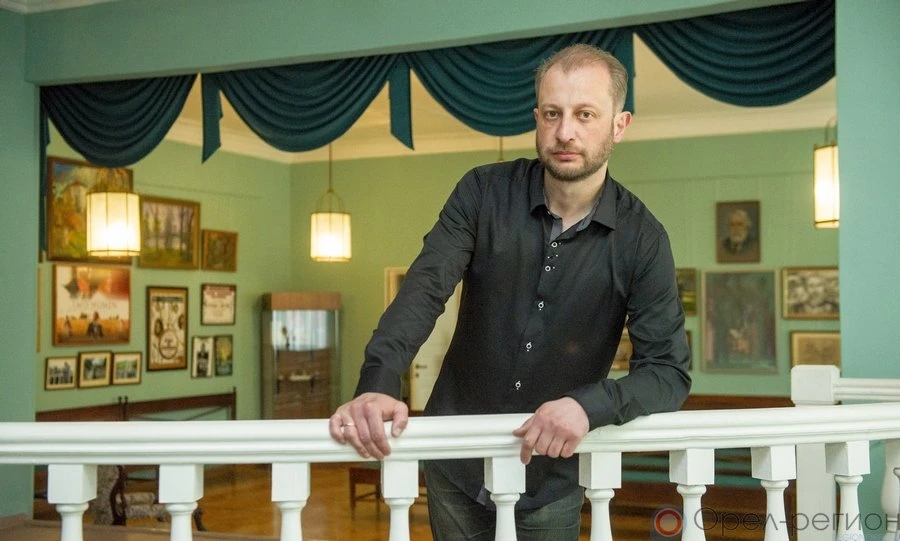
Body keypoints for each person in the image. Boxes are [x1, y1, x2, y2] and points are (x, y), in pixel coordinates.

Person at [329, 43, 691, 541]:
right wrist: (379, 380)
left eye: (585, 114)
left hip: (550, 477)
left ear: (619, 125)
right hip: (454, 463)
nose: (565, 132)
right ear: (536, 118)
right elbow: (424, 290)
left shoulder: (644, 239)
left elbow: (668, 372)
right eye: (552, 113)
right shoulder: (481, 192)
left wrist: (588, 406)